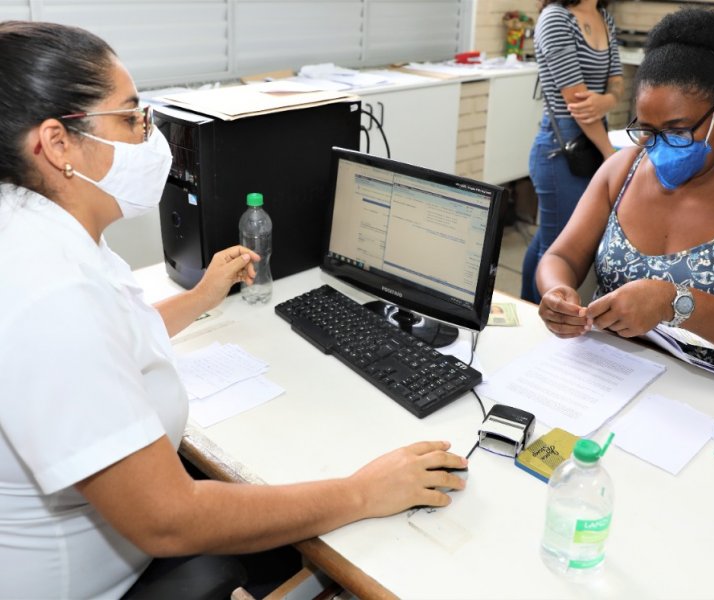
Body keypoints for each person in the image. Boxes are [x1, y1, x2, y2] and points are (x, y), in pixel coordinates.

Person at [0, 21, 468, 598]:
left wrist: (200, 298)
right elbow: (168, 518)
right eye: (130, 118)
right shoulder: (50, 295)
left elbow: (118, 331)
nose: (149, 137)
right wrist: (363, 491)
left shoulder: (33, 228)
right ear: (57, 143)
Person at [535, 7, 714, 384]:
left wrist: (671, 302)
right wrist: (557, 291)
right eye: (648, 130)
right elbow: (561, 255)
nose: (658, 147)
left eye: (677, 130)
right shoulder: (621, 170)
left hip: (711, 388)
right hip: (606, 374)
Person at [521, 0, 623, 303]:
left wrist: (605, 101)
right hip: (560, 151)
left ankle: (527, 305)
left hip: (589, 143)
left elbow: (616, 82)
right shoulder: (555, 18)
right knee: (557, 250)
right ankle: (542, 324)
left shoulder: (603, 16)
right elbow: (578, 102)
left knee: (547, 238)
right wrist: (609, 154)